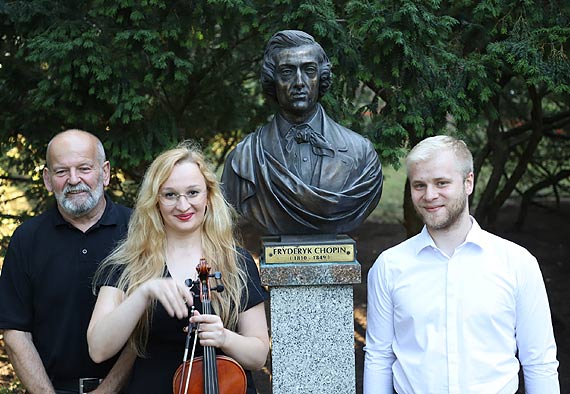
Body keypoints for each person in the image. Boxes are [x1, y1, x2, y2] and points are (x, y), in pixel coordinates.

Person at [363, 135, 560, 393]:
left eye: (441, 183)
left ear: (469, 182)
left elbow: (539, 362)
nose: (429, 195)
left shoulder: (517, 263)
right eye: (419, 185)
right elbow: (378, 357)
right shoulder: (389, 267)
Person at [86, 141, 270, 393]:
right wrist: (142, 294)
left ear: (209, 195)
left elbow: (258, 354)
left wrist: (225, 338)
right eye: (170, 195)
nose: (183, 206)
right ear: (155, 201)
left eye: (193, 192)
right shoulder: (128, 263)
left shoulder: (236, 261)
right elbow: (98, 349)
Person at [0, 129, 134, 393]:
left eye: (84, 168)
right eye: (62, 172)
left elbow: (147, 326)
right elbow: (15, 332)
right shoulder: (27, 239)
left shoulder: (137, 231)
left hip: (129, 388)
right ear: (48, 180)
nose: (74, 180)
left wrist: (108, 389)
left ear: (104, 172)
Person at [222, 30, 383, 235]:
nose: (299, 82)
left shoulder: (361, 154)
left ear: (321, 77)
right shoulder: (244, 160)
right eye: (287, 72)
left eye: (309, 70)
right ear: (273, 80)